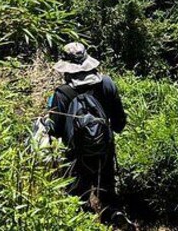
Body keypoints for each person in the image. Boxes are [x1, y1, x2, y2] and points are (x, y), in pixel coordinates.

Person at [48, 42, 128, 224]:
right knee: (107, 189)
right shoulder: (106, 84)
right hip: (104, 148)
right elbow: (119, 123)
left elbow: (55, 129)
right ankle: (113, 215)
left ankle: (82, 223)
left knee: (77, 197)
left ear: (66, 68)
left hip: (76, 154)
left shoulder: (63, 93)